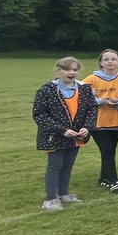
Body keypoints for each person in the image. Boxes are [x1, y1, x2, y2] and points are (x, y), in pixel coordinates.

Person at [33, 57, 97, 211]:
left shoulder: (84, 89)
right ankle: (51, 199)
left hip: (76, 136)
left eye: (75, 69)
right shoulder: (47, 90)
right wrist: (62, 130)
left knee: (68, 165)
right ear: (59, 70)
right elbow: (40, 115)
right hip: (54, 136)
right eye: (67, 69)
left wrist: (87, 127)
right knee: (55, 166)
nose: (71, 73)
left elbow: (92, 110)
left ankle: (64, 194)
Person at [84, 49, 118, 192]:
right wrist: (100, 101)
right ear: (101, 63)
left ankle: (104, 178)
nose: (110, 62)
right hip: (98, 123)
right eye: (106, 59)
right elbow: (81, 101)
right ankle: (113, 181)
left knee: (110, 151)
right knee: (107, 151)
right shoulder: (91, 79)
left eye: (113, 59)